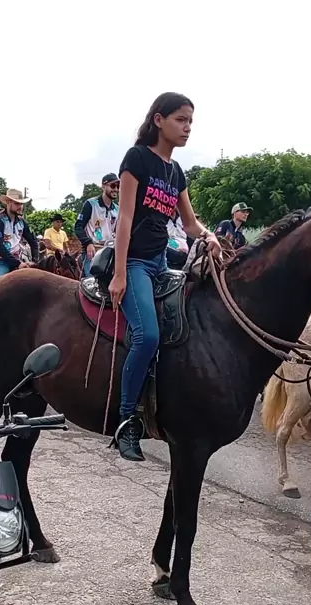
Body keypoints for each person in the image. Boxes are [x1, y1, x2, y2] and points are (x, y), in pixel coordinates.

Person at [109, 92, 221, 461]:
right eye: (180, 120)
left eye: (190, 122)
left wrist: (209, 236)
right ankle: (126, 421)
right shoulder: (137, 158)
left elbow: (189, 224)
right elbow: (125, 218)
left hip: (161, 261)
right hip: (136, 263)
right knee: (148, 336)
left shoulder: (176, 172)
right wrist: (120, 273)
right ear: (159, 120)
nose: (187, 128)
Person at [0, 189, 38, 280]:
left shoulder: (22, 222)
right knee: (0, 284)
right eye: (17, 203)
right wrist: (18, 263)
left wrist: (35, 261)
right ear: (8, 202)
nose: (20, 207)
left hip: (18, 260)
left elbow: (33, 241)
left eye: (21, 204)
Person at [75, 174, 119, 275]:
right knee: (92, 281)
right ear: (103, 186)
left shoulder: (117, 209)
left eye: (118, 186)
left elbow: (117, 231)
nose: (116, 189)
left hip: (109, 251)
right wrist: (88, 243)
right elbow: (78, 227)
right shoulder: (91, 204)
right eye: (113, 186)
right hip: (92, 250)